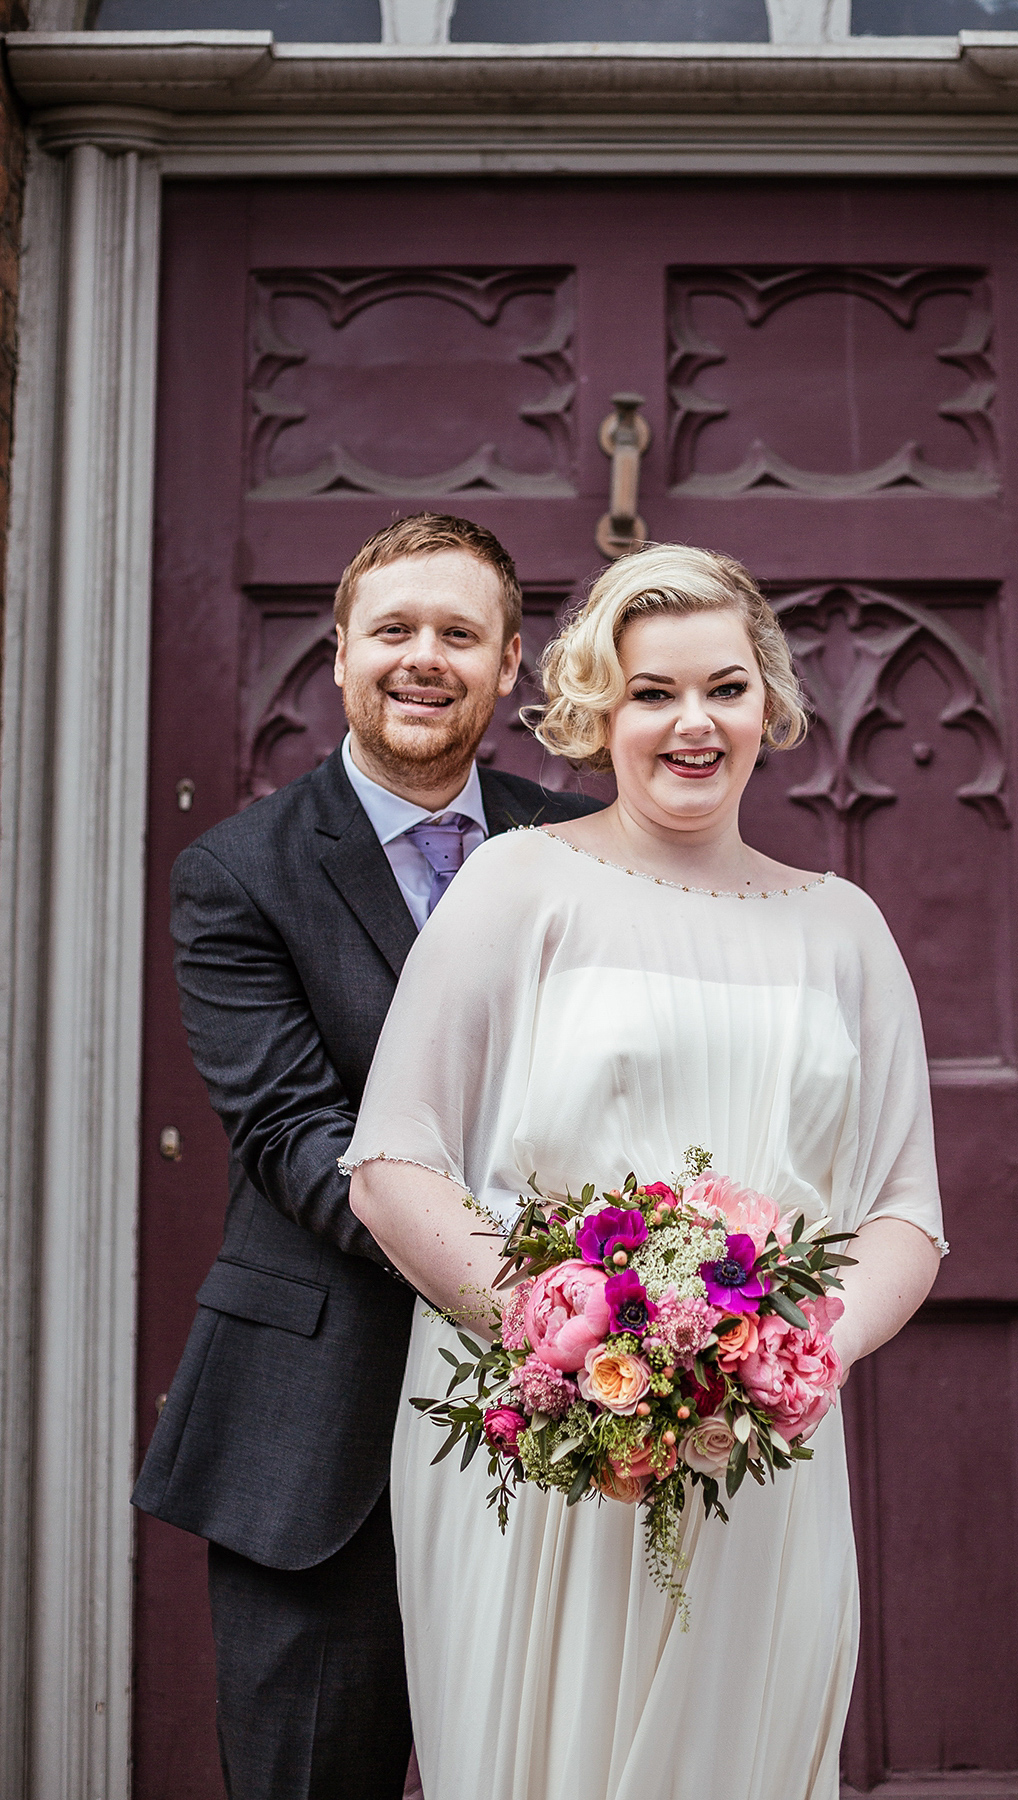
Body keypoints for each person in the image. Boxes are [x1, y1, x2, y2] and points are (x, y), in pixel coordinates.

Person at [345, 543, 947, 1800]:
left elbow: (904, 1214)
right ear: (595, 710)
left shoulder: (844, 928)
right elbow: (394, 1162)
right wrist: (564, 1343)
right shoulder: (520, 882)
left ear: (770, 707)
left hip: (754, 1448)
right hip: (544, 1440)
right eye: (652, 692)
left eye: (725, 689)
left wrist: (790, 1361)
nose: (692, 723)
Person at [132, 513, 602, 1800]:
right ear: (339, 653)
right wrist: (526, 1290)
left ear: (513, 663)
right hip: (315, 1427)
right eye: (393, 629)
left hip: (570, 1435)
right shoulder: (238, 872)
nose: (423, 658)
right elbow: (292, 1134)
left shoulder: (584, 853)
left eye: (461, 633)